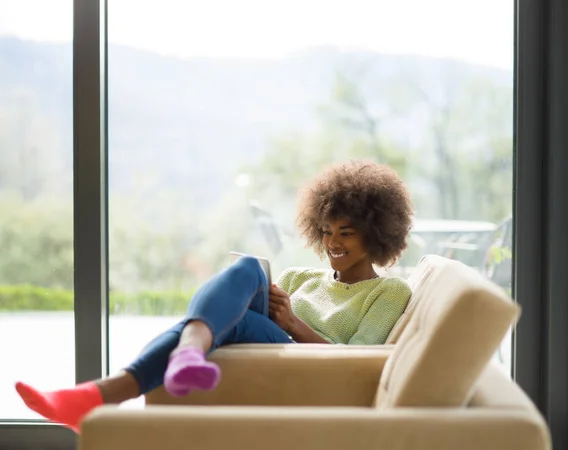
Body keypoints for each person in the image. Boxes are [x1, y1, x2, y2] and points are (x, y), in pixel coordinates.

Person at [14, 160, 414, 433]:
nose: (332, 243)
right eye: (326, 231)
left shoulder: (388, 290)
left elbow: (360, 360)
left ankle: (99, 393)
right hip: (267, 345)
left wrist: (293, 324)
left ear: (375, 233)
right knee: (247, 271)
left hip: (310, 362)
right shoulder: (299, 276)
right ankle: (181, 355)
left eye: (346, 232)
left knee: (227, 308)